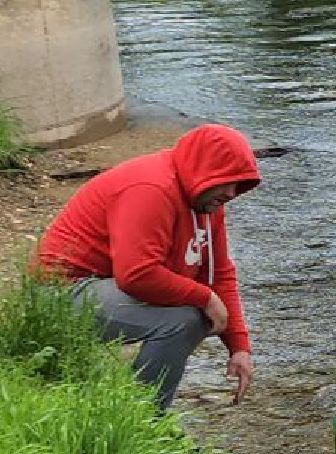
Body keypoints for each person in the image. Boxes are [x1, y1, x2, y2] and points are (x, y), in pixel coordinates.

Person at [34, 123, 261, 409]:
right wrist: (206, 298)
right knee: (185, 319)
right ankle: (145, 418)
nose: (231, 192)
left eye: (238, 184)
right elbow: (137, 274)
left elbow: (219, 273)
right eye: (226, 181)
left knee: (195, 312)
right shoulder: (151, 188)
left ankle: (143, 414)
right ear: (203, 170)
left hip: (103, 288)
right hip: (59, 294)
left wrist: (239, 348)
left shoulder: (208, 202)